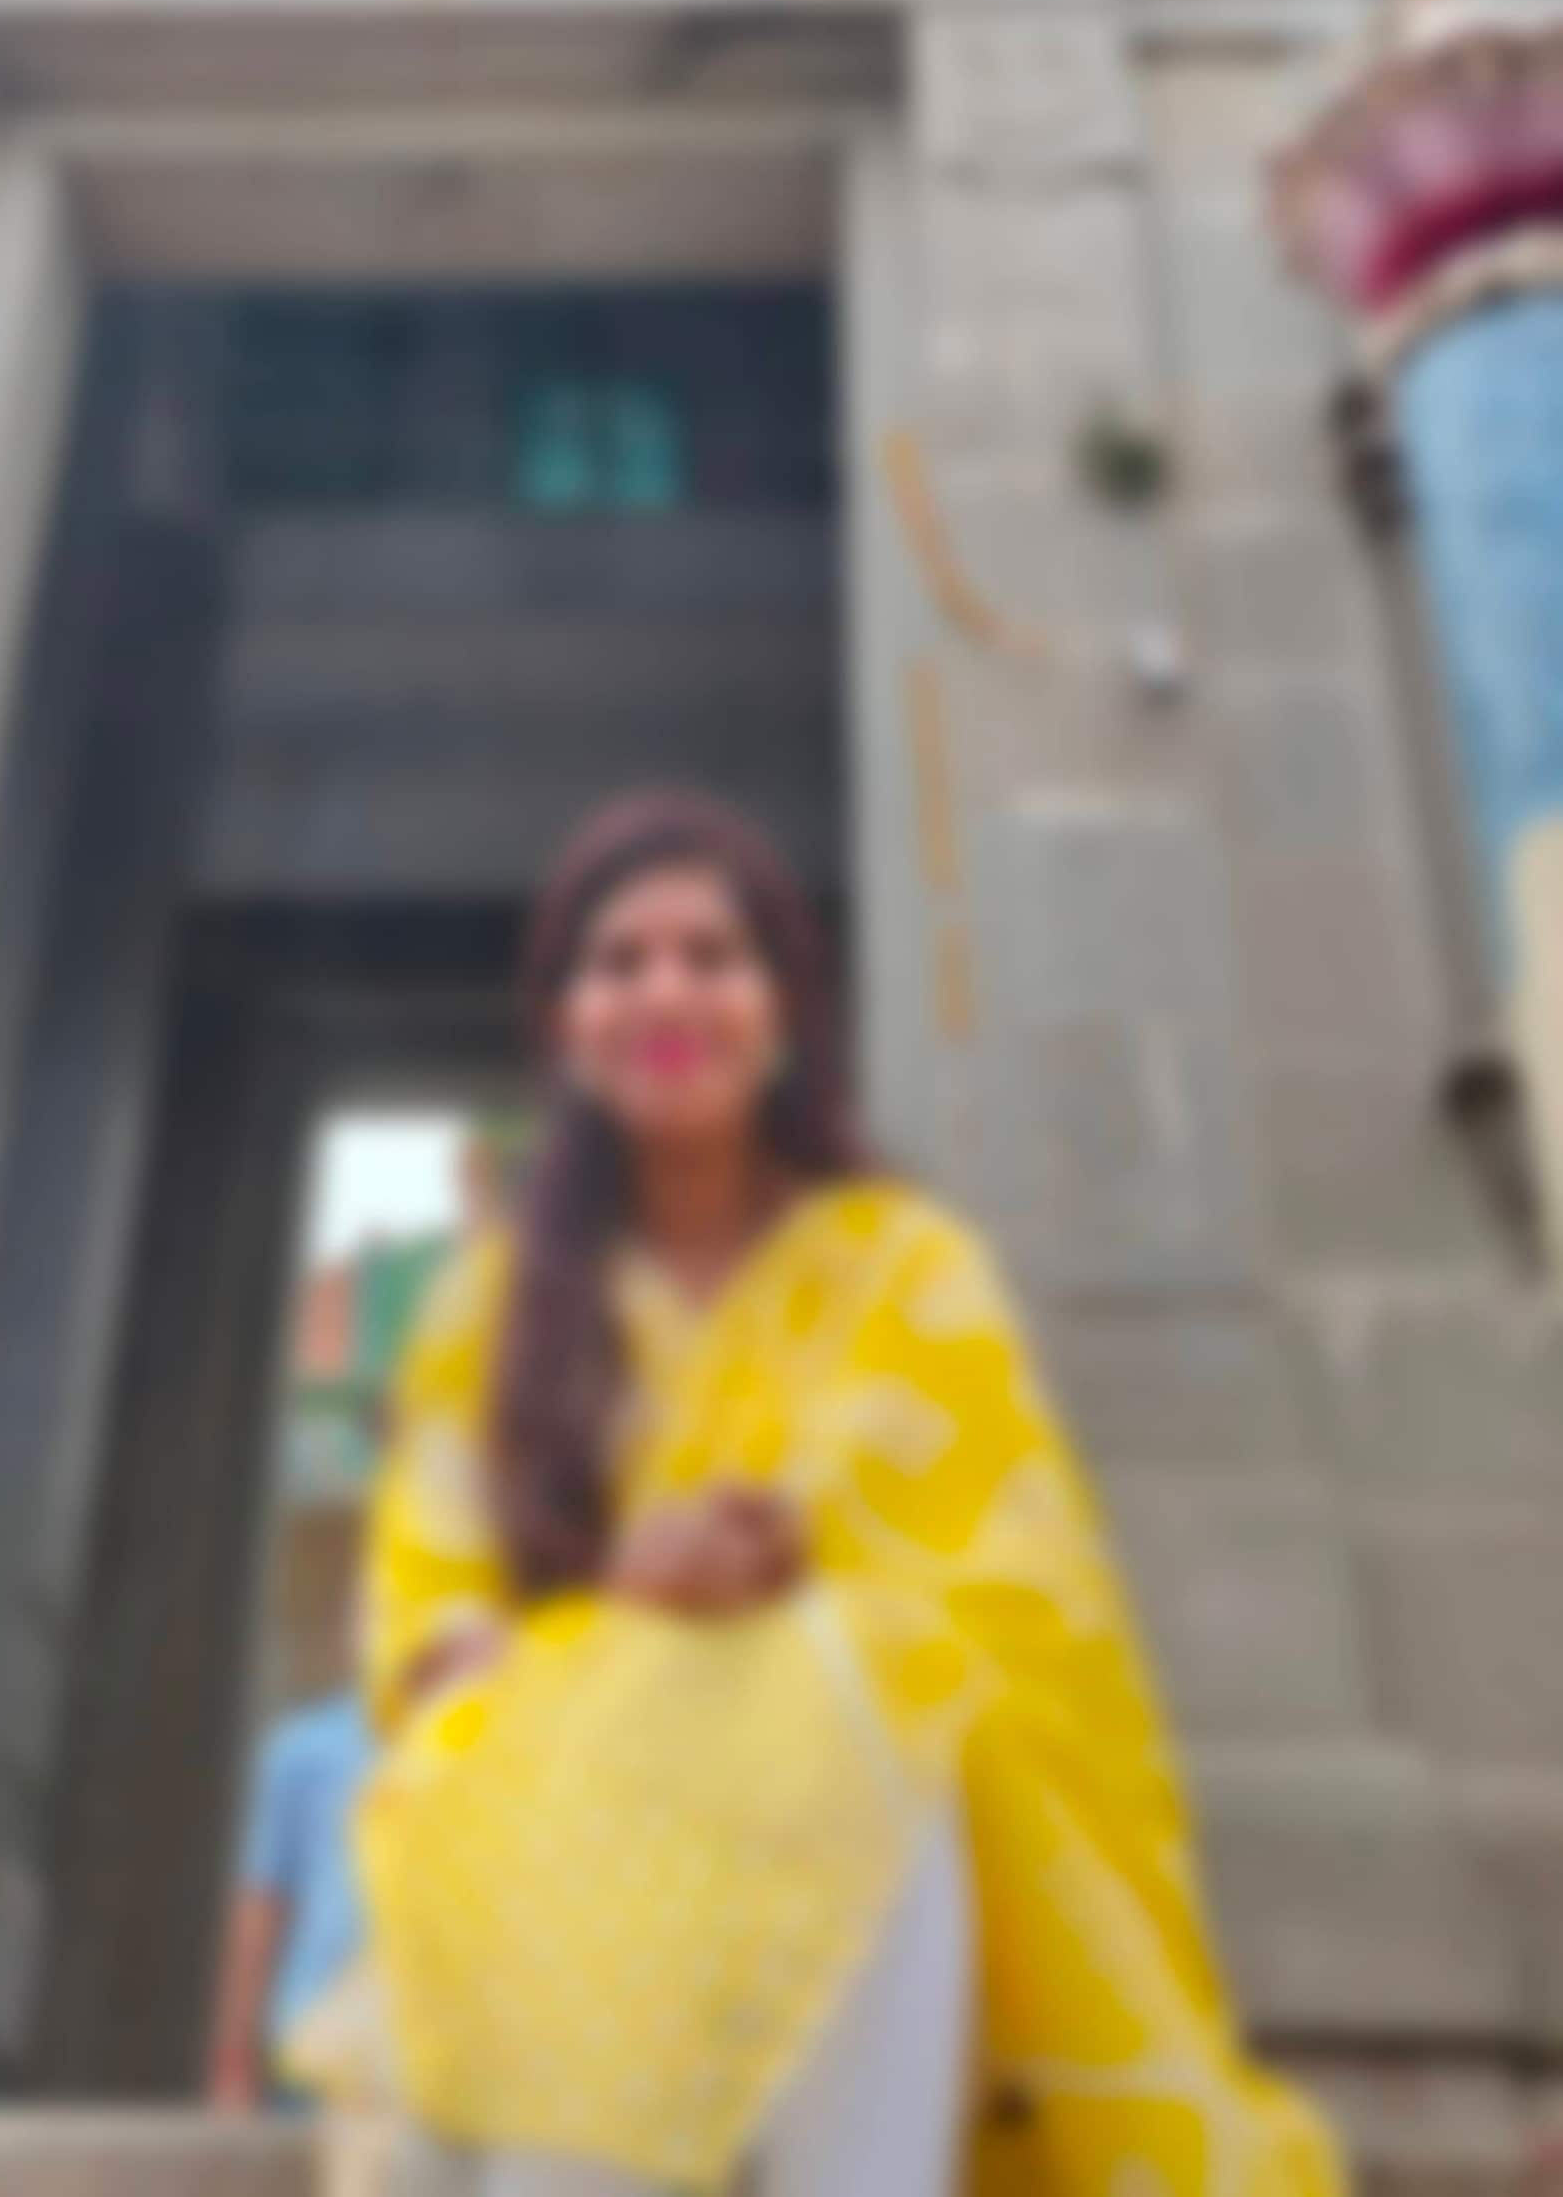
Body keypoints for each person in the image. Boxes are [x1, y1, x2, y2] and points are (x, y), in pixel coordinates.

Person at [348, 785, 1345, 2197]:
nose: (666, 991)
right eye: (619, 963)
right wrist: (633, 1605)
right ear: (565, 1028)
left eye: (713, 955)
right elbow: (434, 1642)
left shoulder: (910, 1268)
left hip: (850, 1837)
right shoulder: (485, 1310)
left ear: (785, 1012)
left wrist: (782, 1564)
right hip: (570, 1845)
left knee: (865, 1672)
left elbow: (1016, 1595)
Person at [209, 1669, 373, 2113]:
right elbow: (263, 1903)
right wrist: (234, 2059)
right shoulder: (306, 1749)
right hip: (313, 2044)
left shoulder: (495, 1743)